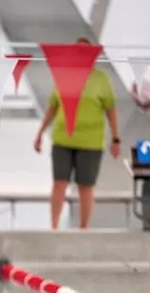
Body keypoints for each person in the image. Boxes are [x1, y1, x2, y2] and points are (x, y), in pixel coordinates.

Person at [33, 37, 121, 230]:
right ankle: (54, 227)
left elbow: (110, 110)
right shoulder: (63, 75)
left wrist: (116, 138)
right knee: (59, 183)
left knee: (86, 186)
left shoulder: (101, 79)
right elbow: (52, 108)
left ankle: (84, 228)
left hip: (90, 142)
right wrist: (39, 133)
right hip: (63, 139)